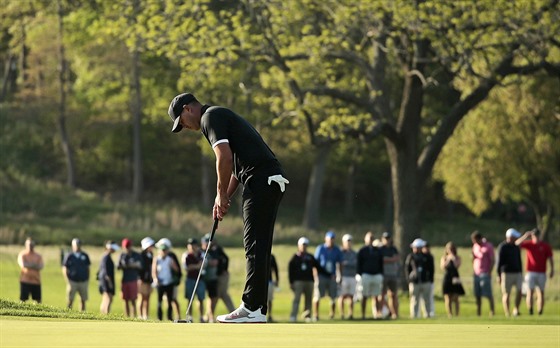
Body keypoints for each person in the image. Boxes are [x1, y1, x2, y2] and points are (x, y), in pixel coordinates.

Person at [168, 92, 288, 324]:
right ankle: (258, 309)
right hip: (270, 180)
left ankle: (251, 307)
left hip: (262, 180)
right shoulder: (220, 116)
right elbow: (235, 168)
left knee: (253, 245)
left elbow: (222, 157)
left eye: (181, 122)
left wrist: (220, 194)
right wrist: (222, 198)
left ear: (188, 109)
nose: (185, 127)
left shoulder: (209, 118)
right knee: (259, 246)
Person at [516, 228, 554, 315]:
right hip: (530, 272)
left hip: (542, 272)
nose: (536, 236)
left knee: (541, 292)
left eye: (537, 235)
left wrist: (552, 270)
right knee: (530, 292)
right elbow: (516, 244)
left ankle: (540, 311)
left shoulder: (545, 246)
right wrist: (525, 236)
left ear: (540, 235)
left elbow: (550, 258)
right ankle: (530, 311)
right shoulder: (529, 244)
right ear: (532, 235)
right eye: (534, 235)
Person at [288, 237, 320, 322]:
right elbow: (290, 270)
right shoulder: (295, 257)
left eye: (305, 245)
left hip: (309, 281)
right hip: (298, 281)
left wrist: (329, 274)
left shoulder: (310, 257)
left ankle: (307, 316)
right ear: (299, 246)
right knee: (296, 299)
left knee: (308, 299)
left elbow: (318, 267)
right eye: (302, 245)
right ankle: (293, 316)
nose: (304, 247)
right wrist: (291, 282)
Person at [313, 231, 343, 321]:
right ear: (326, 239)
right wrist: (315, 276)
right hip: (321, 276)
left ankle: (332, 314)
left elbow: (340, 263)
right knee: (317, 296)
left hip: (332, 276)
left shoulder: (337, 249)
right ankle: (316, 315)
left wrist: (339, 275)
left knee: (333, 297)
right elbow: (315, 263)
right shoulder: (320, 248)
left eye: (332, 239)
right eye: (329, 239)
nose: (331, 241)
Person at [356, 232, 384, 319]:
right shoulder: (362, 250)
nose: (370, 240)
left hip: (376, 275)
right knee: (364, 296)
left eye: (372, 238)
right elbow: (358, 264)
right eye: (369, 238)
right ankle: (363, 315)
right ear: (365, 239)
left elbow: (381, 263)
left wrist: (381, 274)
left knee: (376, 296)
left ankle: (377, 314)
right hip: (366, 275)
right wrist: (360, 274)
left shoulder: (378, 250)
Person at [496, 228, 523, 317]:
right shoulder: (502, 247)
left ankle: (516, 310)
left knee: (520, 291)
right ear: (510, 237)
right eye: (515, 237)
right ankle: (507, 313)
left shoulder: (516, 247)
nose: (516, 239)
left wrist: (521, 272)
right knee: (507, 293)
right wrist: (498, 275)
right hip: (506, 273)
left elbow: (519, 260)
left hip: (517, 272)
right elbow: (499, 262)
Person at [405, 238, 433, 319]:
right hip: (414, 282)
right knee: (414, 300)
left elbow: (431, 269)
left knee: (426, 300)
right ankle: (414, 315)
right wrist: (409, 280)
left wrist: (430, 280)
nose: (417, 249)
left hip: (425, 281)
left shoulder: (427, 256)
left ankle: (427, 315)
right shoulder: (411, 257)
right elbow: (407, 269)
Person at [153, 238, 180, 321]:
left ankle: (169, 317)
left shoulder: (170, 259)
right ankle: (159, 317)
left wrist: (173, 267)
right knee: (159, 302)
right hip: (160, 283)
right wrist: (155, 279)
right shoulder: (157, 259)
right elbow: (154, 271)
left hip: (169, 282)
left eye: (165, 250)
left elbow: (177, 270)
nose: (163, 251)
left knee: (169, 301)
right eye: (162, 250)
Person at [471, 230, 495, 317]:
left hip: (485, 273)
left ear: (479, 238)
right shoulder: (475, 246)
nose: (474, 242)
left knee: (488, 294)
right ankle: (478, 313)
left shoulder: (488, 246)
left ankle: (492, 311)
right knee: (477, 295)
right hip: (476, 273)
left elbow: (492, 260)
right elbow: (473, 258)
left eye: (475, 240)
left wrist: (490, 271)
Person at [62, 238, 90, 311]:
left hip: (83, 281)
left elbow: (88, 268)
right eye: (76, 245)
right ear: (72, 245)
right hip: (72, 281)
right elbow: (65, 268)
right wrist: (67, 280)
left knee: (83, 300)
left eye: (79, 244)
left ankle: (82, 315)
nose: (77, 246)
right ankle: (68, 314)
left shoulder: (85, 255)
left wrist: (87, 279)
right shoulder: (69, 256)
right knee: (70, 300)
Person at [182, 238, 206, 322]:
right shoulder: (186, 255)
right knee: (190, 299)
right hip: (190, 279)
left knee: (201, 299)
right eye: (190, 245)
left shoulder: (201, 254)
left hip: (200, 279)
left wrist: (194, 266)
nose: (191, 247)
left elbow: (203, 265)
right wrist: (197, 266)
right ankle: (190, 317)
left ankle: (201, 317)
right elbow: (187, 268)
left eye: (193, 245)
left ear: (196, 246)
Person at [117, 238, 142, 317]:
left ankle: (133, 316)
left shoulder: (136, 255)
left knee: (133, 300)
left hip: (133, 280)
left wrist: (133, 265)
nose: (127, 248)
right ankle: (127, 317)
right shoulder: (122, 255)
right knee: (125, 300)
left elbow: (141, 266)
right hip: (125, 280)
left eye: (128, 247)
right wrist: (124, 265)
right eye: (125, 247)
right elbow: (118, 266)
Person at [440, 242, 465, 318]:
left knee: (456, 296)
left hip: (455, 277)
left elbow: (457, 266)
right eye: (449, 249)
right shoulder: (444, 258)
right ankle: (450, 314)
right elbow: (443, 267)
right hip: (447, 277)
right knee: (447, 296)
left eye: (452, 249)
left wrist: (453, 258)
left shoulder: (457, 257)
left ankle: (457, 314)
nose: (450, 250)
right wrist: (448, 259)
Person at [380, 232, 400, 319]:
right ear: (382, 239)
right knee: (382, 295)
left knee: (393, 295)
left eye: (388, 238)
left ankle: (394, 313)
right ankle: (383, 312)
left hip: (393, 275)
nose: (387, 240)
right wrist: (392, 259)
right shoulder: (381, 249)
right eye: (385, 239)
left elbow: (397, 258)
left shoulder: (393, 249)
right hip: (383, 274)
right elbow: (382, 260)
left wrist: (388, 259)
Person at [17, 237, 44, 303]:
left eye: (32, 245)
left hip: (36, 281)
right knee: (23, 300)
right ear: (26, 245)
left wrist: (29, 265)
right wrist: (34, 265)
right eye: (29, 245)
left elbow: (40, 266)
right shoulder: (23, 255)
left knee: (38, 300)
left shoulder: (38, 256)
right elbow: (23, 264)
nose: (30, 246)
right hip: (25, 280)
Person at [201, 234, 219, 323]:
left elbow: (215, 263)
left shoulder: (214, 252)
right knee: (201, 298)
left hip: (213, 278)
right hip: (203, 278)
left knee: (213, 297)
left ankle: (209, 316)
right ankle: (205, 316)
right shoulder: (202, 252)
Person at [338, 234, 357, 320]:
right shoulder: (340, 253)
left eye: (350, 241)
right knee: (342, 296)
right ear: (343, 242)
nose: (348, 243)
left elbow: (355, 264)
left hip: (352, 277)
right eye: (347, 241)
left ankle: (350, 314)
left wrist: (346, 264)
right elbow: (339, 264)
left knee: (351, 296)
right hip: (343, 277)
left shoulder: (354, 253)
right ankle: (342, 314)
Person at [98, 240, 120, 314]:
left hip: (105, 281)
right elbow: (106, 273)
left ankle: (103, 315)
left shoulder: (106, 256)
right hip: (106, 281)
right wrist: (110, 283)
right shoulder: (106, 257)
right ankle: (106, 315)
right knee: (108, 299)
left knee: (106, 298)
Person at [214, 240, 236, 313]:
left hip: (221, 276)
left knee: (220, 294)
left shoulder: (217, 250)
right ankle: (208, 315)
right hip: (216, 277)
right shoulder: (211, 250)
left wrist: (224, 270)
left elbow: (226, 259)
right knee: (216, 296)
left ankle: (233, 311)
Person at [138, 237, 155, 320]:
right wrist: (140, 278)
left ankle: (146, 315)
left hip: (149, 280)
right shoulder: (141, 255)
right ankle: (140, 315)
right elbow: (140, 269)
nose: (152, 247)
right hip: (142, 280)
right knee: (142, 297)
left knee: (148, 297)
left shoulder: (151, 255)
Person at [422, 242, 435, 317]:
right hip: (421, 280)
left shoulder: (430, 257)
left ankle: (430, 312)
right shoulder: (421, 256)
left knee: (429, 298)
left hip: (429, 280)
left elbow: (432, 270)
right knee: (421, 299)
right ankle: (422, 313)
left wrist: (431, 279)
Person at [267, 253, 279, 322]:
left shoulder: (271, 256)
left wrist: (277, 279)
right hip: (259, 281)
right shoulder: (257, 254)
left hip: (269, 281)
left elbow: (275, 268)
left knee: (269, 299)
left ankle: (270, 315)